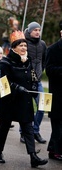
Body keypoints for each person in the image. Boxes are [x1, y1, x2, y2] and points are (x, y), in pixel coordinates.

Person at [0, 30, 48, 168]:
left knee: (28, 129)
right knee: (4, 128)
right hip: (8, 101)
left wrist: (35, 86)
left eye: (25, 45)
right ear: (13, 47)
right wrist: (18, 88)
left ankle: (33, 156)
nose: (24, 48)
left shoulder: (27, 61)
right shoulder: (5, 62)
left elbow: (33, 77)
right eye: (21, 45)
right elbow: (3, 81)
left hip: (24, 101)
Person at [20, 22, 47, 144]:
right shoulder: (23, 43)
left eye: (39, 30)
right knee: (25, 108)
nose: (37, 32)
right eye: (35, 30)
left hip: (38, 81)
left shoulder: (42, 44)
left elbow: (44, 60)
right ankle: (23, 133)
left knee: (43, 106)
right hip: (26, 81)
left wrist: (40, 72)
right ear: (29, 31)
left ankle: (35, 131)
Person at [45, 28, 62, 161]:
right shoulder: (53, 49)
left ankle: (53, 149)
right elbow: (49, 70)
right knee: (57, 123)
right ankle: (57, 151)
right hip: (57, 93)